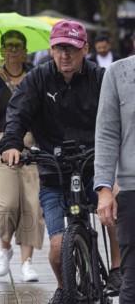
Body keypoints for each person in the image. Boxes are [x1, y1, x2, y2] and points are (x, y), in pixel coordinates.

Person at [0, 21, 121, 303]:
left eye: (72, 49)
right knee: (57, 247)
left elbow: (120, 115)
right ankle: (65, 287)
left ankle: (116, 268)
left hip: (95, 167)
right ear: (51, 50)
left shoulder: (101, 77)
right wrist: (12, 145)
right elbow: (17, 114)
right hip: (54, 171)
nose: (65, 55)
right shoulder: (37, 79)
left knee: (114, 203)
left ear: (85, 50)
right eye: (58, 49)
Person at [0, 30, 44, 283]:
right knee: (8, 204)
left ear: (25, 52)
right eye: (9, 46)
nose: (13, 51)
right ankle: (4, 248)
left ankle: (27, 262)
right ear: (2, 51)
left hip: (31, 147)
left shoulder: (36, 78)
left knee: (33, 205)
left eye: (18, 46)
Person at [94, 55, 135, 302]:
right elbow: (107, 133)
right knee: (132, 282)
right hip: (132, 188)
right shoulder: (118, 72)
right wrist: (104, 188)